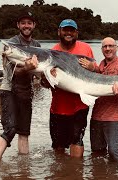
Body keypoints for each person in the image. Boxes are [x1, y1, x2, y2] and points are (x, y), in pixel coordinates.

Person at [40, 19, 95, 158]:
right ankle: (63, 173)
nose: (68, 33)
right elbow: (45, 84)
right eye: (65, 30)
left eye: (72, 30)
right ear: (59, 31)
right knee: (58, 145)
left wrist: (92, 67)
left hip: (79, 106)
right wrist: (46, 77)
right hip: (58, 107)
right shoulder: (52, 52)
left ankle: (75, 172)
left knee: (77, 140)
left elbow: (96, 73)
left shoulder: (86, 49)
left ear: (76, 33)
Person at [79, 37, 118, 162]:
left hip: (114, 118)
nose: (108, 48)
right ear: (102, 49)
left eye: (111, 46)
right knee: (97, 152)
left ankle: (117, 174)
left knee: (114, 152)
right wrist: (92, 68)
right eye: (105, 46)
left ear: (116, 47)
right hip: (96, 116)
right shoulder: (101, 66)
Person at [0, 11, 41, 160]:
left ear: (33, 25)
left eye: (29, 23)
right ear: (18, 25)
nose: (26, 26)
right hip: (9, 90)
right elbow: (12, 73)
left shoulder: (37, 46)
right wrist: (27, 68)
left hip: (27, 91)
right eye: (23, 23)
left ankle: (23, 168)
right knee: (10, 128)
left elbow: (38, 73)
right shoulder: (10, 45)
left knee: (24, 131)